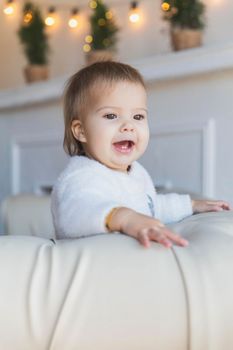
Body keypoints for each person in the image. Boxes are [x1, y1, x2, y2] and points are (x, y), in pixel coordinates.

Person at [51, 61, 231, 248]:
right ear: (80, 131)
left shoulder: (136, 172)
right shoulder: (80, 176)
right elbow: (75, 214)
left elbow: (152, 207)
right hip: (91, 266)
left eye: (138, 117)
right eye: (111, 116)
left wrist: (191, 205)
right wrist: (125, 218)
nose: (128, 125)